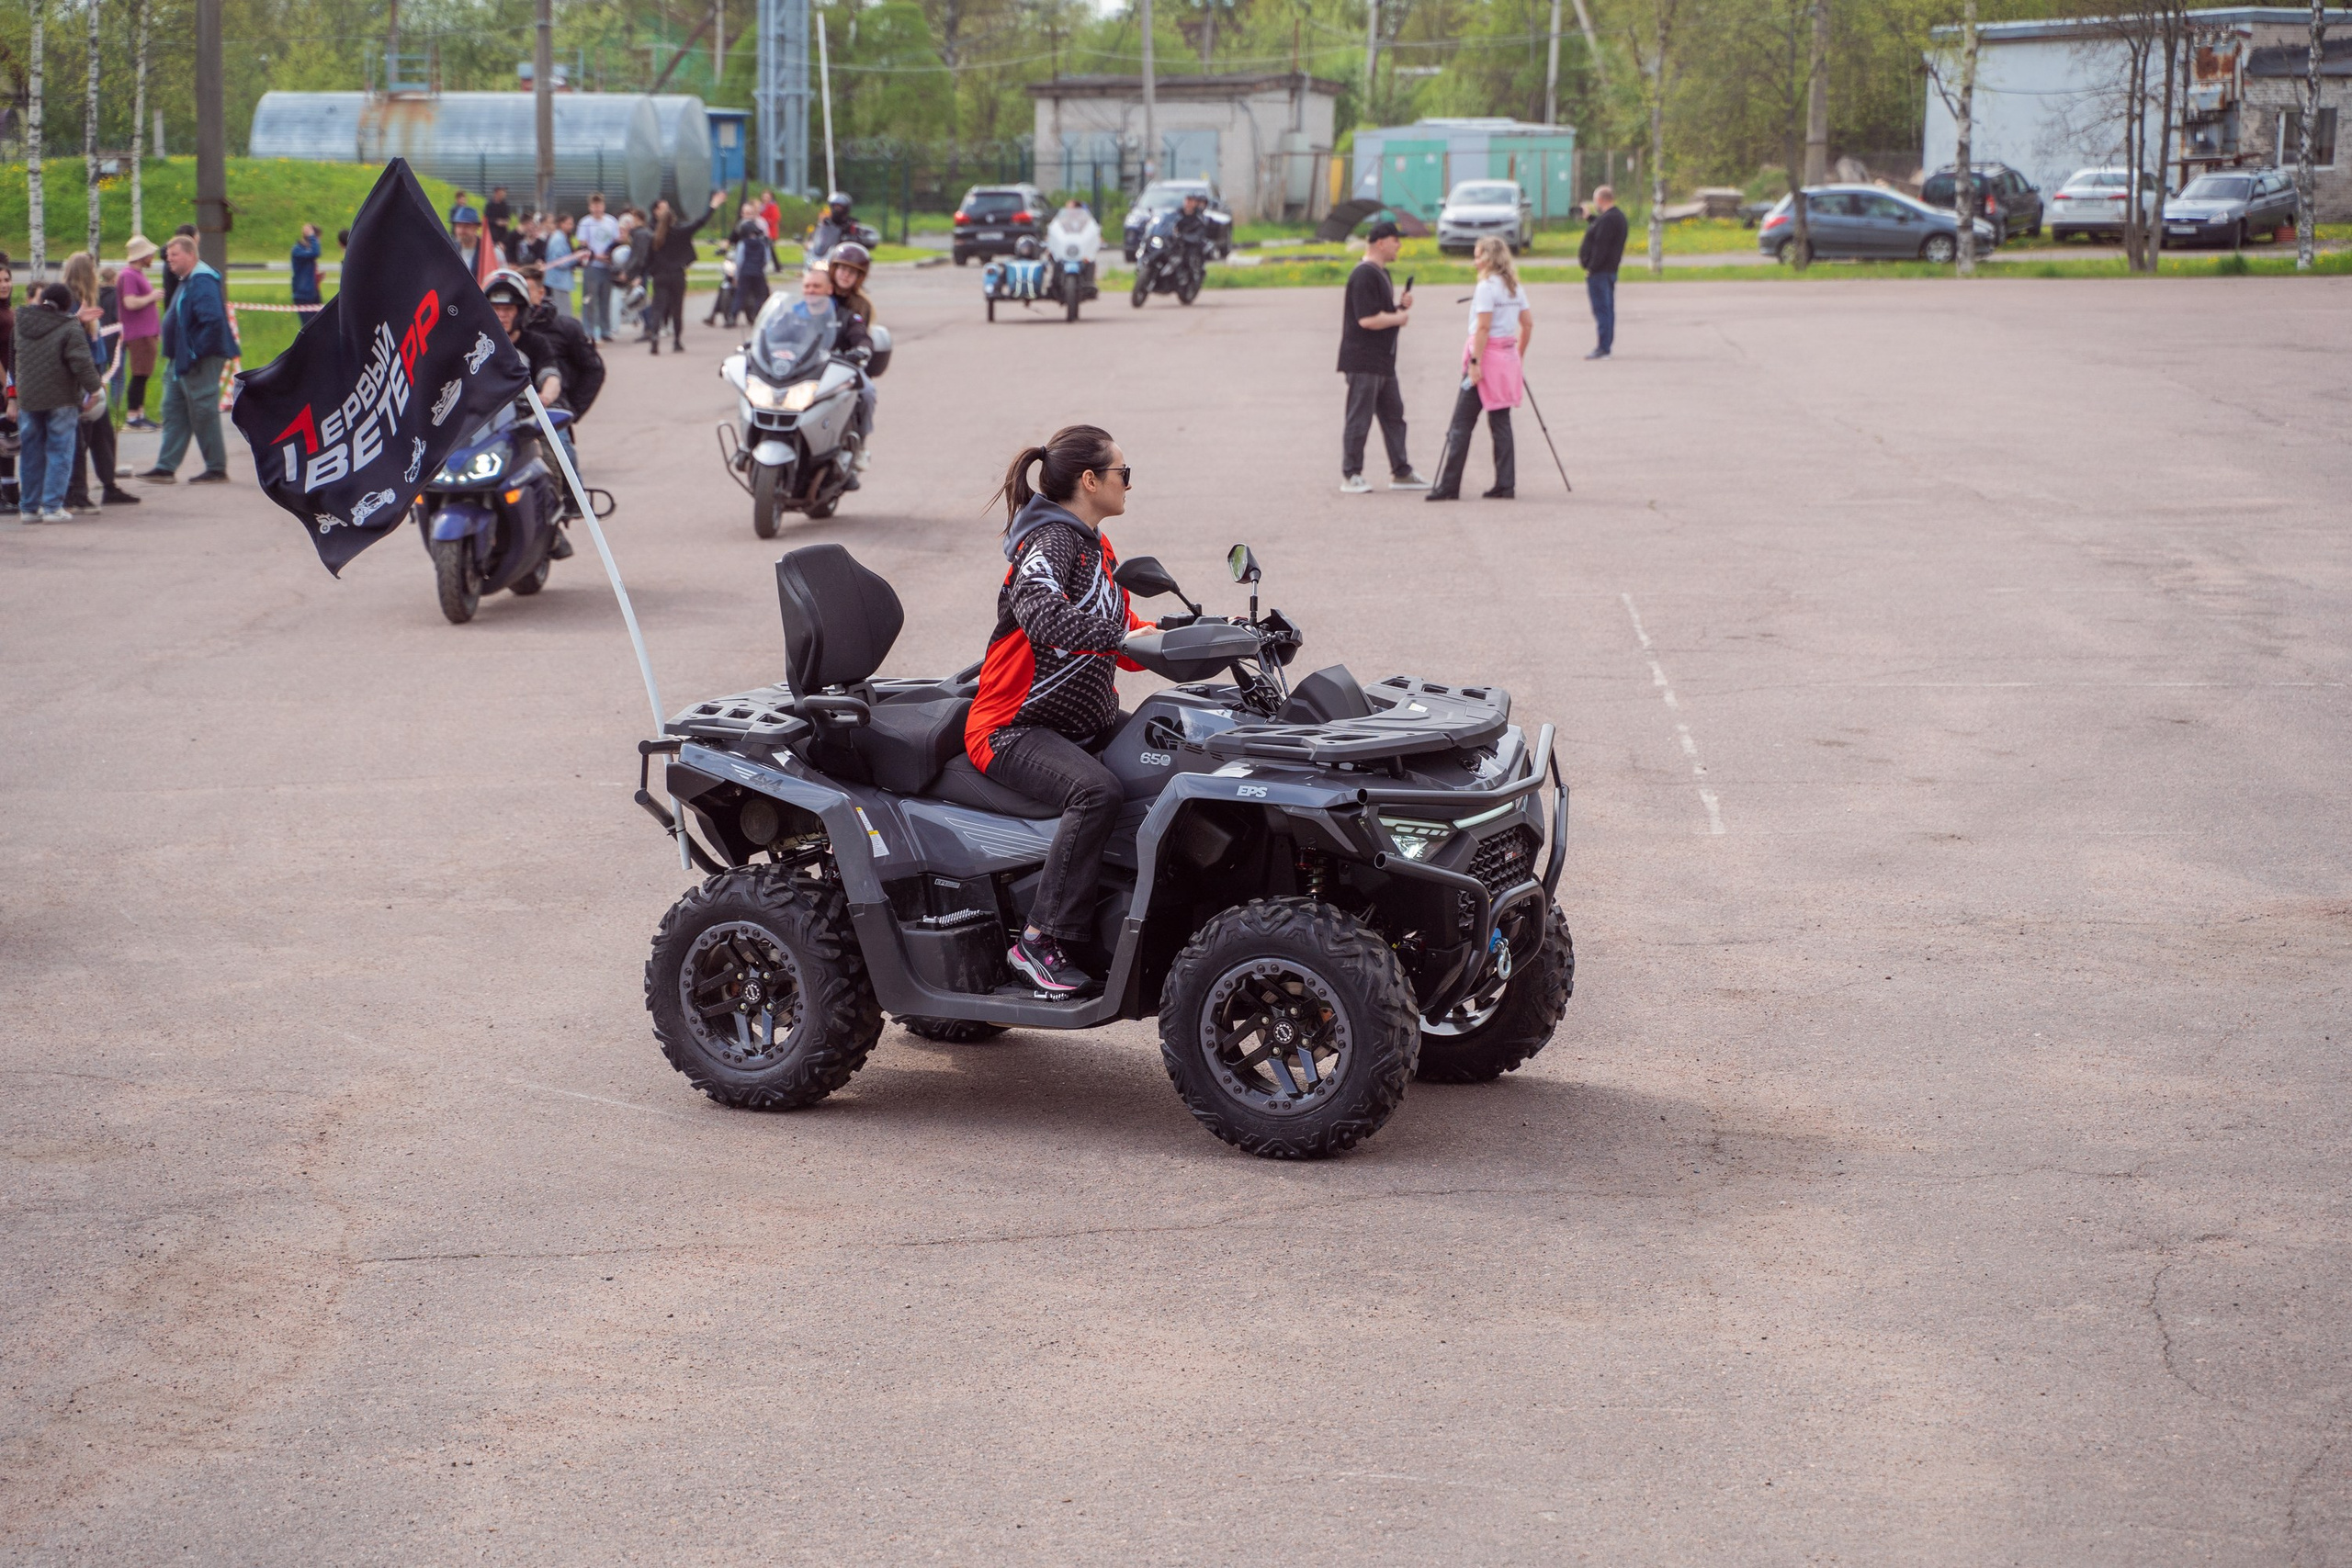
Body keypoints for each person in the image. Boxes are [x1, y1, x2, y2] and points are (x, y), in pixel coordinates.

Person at [964, 424, 1150, 996]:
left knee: (1174, 748)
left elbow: (1127, 632)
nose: (1129, 484)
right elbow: (1043, 616)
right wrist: (1121, 638)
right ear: (1090, 480)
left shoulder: (1097, 546)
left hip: (1082, 723)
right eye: (1123, 473)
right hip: (1012, 728)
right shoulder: (1049, 541)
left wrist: (1205, 635)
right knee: (1096, 792)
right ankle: (1039, 939)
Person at [1426, 235, 1532, 503]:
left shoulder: (1486, 287)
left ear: (1489, 258)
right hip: (1506, 358)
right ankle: (1505, 484)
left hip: (1484, 360)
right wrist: (1518, 354)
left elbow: (1483, 328)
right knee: (1500, 421)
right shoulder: (1514, 287)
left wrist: (1474, 363)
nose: (1475, 262)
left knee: (1461, 424)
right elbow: (1528, 324)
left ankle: (1449, 486)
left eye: (1478, 256)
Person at [138, 234, 238, 485]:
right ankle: (165, 467)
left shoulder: (202, 280)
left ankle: (216, 468)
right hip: (181, 359)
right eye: (168, 255)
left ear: (191, 255)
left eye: (175, 254)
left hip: (199, 359)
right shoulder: (188, 279)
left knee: (203, 411)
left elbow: (212, 322)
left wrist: (194, 353)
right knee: (173, 409)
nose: (169, 259)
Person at [1336, 220, 1427, 494]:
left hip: (1383, 361)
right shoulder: (1364, 275)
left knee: (1394, 416)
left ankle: (1401, 471)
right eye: (1395, 240)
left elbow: (1380, 312)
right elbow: (1367, 319)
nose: (1399, 245)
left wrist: (1398, 307)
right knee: (1359, 418)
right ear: (1380, 242)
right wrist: (1398, 318)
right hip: (1364, 360)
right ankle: (1351, 474)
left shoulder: (1381, 273)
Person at [16, 283, 103, 522]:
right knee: (60, 450)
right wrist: (95, 390)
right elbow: (81, 362)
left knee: (31, 452)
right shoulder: (70, 328)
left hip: (29, 397)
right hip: (61, 398)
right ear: (66, 305)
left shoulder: (21, 322)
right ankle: (53, 507)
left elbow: (16, 356)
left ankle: (29, 508)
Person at [61, 252, 137, 513]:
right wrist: (91, 382)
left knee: (102, 434)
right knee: (81, 437)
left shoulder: (88, 301)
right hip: (82, 378)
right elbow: (75, 347)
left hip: (94, 374)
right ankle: (75, 492)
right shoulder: (71, 304)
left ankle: (109, 485)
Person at [642, 191, 725, 355]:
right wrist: (713, 206)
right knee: (677, 309)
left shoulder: (655, 237)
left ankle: (655, 337)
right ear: (673, 219)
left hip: (660, 276)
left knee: (657, 308)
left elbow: (647, 259)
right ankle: (677, 341)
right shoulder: (681, 232)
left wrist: (650, 272)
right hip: (677, 275)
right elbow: (700, 223)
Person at [1578, 185, 1627, 360]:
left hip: (1600, 272)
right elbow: (1601, 228)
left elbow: (1601, 246)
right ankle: (1606, 345)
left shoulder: (1608, 220)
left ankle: (1603, 347)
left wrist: (1591, 268)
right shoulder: (1616, 217)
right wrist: (1589, 217)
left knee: (1602, 310)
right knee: (1607, 309)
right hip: (1609, 271)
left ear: (1600, 200)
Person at [118, 236, 161, 429]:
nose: (152, 257)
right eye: (150, 254)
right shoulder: (129, 275)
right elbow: (130, 302)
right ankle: (133, 416)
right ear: (141, 255)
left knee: (143, 375)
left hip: (146, 333)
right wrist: (152, 297)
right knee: (139, 375)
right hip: (138, 334)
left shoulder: (136, 274)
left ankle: (139, 414)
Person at [577, 191, 620, 342]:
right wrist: (596, 256)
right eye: (594, 206)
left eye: (599, 205)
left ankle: (605, 330)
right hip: (592, 266)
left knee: (605, 299)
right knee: (590, 299)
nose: (597, 209)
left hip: (607, 266)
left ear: (603, 206)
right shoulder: (585, 222)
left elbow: (617, 241)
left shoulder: (611, 222)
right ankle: (588, 330)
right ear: (590, 207)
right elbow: (583, 245)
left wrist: (610, 256)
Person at [539, 210, 580, 318]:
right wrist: (576, 258)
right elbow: (559, 262)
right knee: (563, 312)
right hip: (558, 281)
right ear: (561, 224)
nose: (571, 226)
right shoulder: (558, 239)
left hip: (560, 281)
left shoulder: (561, 238)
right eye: (569, 223)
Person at [808, 191, 860, 260]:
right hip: (826, 255)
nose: (837, 209)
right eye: (835, 207)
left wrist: (850, 238)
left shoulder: (851, 223)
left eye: (839, 207)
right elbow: (819, 236)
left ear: (846, 208)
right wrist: (811, 242)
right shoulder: (826, 222)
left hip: (845, 255)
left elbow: (857, 239)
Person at [289, 223, 322, 308]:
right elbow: (316, 253)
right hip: (303, 295)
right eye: (318, 239)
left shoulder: (307, 251)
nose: (318, 242)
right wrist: (312, 236)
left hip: (313, 293)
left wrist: (316, 277)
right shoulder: (297, 250)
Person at [483, 186, 514, 255]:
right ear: (496, 193)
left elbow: (508, 218)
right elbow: (486, 219)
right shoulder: (490, 205)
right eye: (502, 192)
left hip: (503, 234)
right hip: (492, 234)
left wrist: (505, 222)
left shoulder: (505, 205)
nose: (504, 194)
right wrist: (496, 222)